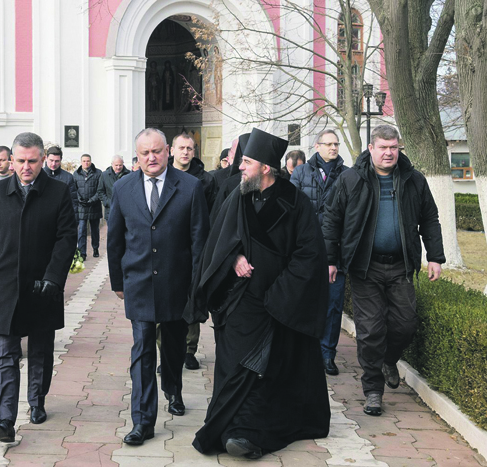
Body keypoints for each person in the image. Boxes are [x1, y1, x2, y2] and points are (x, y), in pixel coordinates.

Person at [185, 127, 330, 459]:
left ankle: (245, 433)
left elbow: (309, 255)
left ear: (266, 166)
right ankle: (226, 426)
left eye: (247, 162)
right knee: (234, 365)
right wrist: (232, 258)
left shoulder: (296, 202)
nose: (240, 167)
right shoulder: (235, 196)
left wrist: (279, 294)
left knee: (262, 370)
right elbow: (217, 241)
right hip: (238, 301)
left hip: (278, 304)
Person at [323, 124, 445, 416]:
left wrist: (435, 257)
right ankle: (373, 390)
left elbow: (430, 218)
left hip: (401, 266)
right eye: (383, 147)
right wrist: (330, 259)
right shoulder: (351, 179)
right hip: (365, 268)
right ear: (371, 149)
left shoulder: (414, 180)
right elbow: (331, 219)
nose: (389, 153)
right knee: (370, 331)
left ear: (398, 148)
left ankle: (390, 360)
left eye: (393, 148)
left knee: (406, 324)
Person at [107, 128, 209, 446]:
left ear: (167, 151)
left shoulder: (190, 187)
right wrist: (118, 282)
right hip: (138, 283)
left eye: (157, 151)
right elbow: (114, 240)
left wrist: (196, 287)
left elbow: (199, 241)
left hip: (177, 284)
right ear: (137, 157)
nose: (151, 158)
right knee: (142, 350)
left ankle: (174, 389)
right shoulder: (123, 189)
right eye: (144, 153)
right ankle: (143, 420)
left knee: (174, 346)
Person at [0, 132, 77, 443]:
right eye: (19, 161)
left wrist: (53, 278)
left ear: (43, 159)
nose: (25, 167)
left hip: (42, 286)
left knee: (40, 350)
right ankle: (4, 420)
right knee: (5, 353)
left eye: (32, 161)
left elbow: (66, 238)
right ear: (11, 160)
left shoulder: (58, 192)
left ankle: (37, 401)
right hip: (5, 286)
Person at [290, 131, 347, 375]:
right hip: (305, 250)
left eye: (336, 144)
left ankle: (327, 353)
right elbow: (289, 208)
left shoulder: (348, 174)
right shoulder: (301, 173)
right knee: (302, 301)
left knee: (332, 305)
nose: (333, 148)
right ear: (317, 146)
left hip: (336, 252)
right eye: (329, 144)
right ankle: (302, 352)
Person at [163, 133, 218, 370]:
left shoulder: (205, 181)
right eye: (181, 147)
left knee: (191, 299)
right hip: (165, 249)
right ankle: (164, 350)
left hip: (193, 249)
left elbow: (213, 216)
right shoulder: (161, 176)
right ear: (171, 150)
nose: (185, 152)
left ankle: (188, 349)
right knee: (162, 301)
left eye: (190, 148)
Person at [73, 154, 103, 259]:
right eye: (84, 161)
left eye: (88, 161)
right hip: (81, 207)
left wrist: (92, 200)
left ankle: (95, 248)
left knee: (95, 230)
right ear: (81, 162)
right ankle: (82, 252)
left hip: (94, 206)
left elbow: (100, 189)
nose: (86, 163)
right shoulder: (76, 174)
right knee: (81, 231)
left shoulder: (98, 173)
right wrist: (79, 199)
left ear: (91, 161)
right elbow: (74, 189)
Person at [43, 145, 79, 216]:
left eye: (57, 161)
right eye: (51, 160)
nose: (53, 164)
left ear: (61, 160)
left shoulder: (68, 177)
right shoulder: (38, 175)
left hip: (62, 218)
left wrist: (74, 222)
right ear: (46, 158)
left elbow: (73, 201)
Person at [97, 155, 130, 222]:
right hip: (110, 210)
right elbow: (100, 191)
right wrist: (107, 202)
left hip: (125, 210)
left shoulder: (129, 174)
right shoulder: (104, 175)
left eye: (120, 165)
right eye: (116, 165)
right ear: (112, 164)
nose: (118, 167)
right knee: (112, 232)